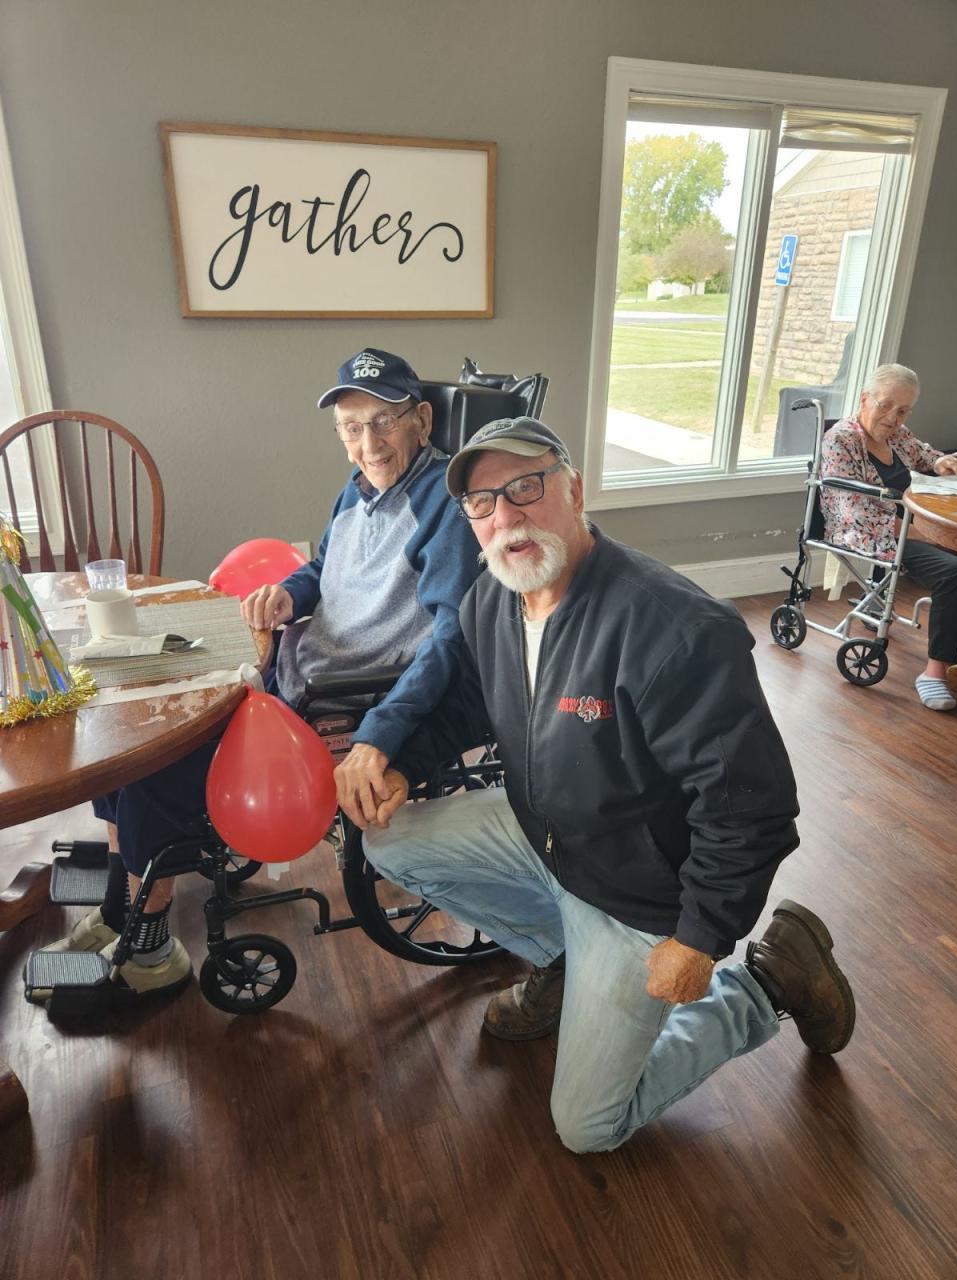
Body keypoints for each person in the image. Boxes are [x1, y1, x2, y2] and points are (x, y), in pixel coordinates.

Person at [341, 416, 856, 1155]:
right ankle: (561, 960)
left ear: (574, 490)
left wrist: (702, 935)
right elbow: (469, 703)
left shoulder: (673, 629)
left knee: (588, 1127)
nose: (506, 516)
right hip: (547, 837)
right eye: (483, 504)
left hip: (640, 897)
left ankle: (771, 982)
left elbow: (752, 808)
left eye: (526, 487)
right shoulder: (495, 600)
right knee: (386, 839)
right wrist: (399, 765)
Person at [41, 348, 481, 997]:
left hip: (338, 702)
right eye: (352, 428)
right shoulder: (357, 492)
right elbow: (321, 572)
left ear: (419, 419)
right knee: (127, 722)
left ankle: (152, 951)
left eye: (384, 421)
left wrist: (382, 735)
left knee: (154, 762)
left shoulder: (445, 507)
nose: (369, 442)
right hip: (287, 673)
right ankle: (118, 906)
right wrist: (289, 597)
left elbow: (449, 642)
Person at [819, 363, 957, 711]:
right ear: (865, 398)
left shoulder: (895, 433)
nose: (893, 418)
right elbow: (856, 512)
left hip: (909, 527)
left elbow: (922, 453)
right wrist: (926, 534)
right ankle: (934, 673)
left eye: (903, 410)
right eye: (885, 405)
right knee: (952, 572)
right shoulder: (842, 440)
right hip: (867, 534)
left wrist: (942, 463)